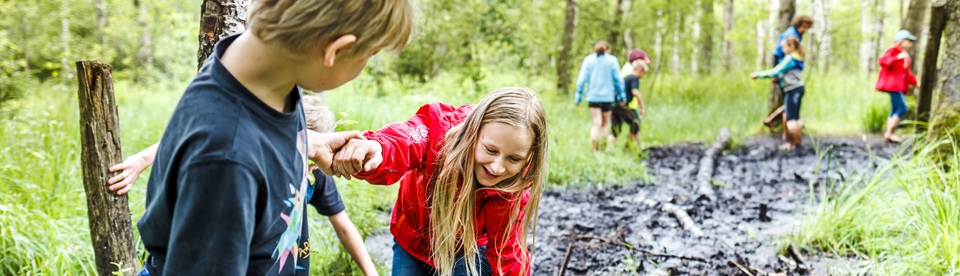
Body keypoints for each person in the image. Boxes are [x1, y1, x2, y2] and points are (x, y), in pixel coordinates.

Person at [135, 0, 415, 274]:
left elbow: (260, 131)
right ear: (334, 51)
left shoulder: (260, 73)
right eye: (370, 54)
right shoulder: (227, 162)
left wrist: (309, 143)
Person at [108, 95, 378, 275]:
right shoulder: (253, 158)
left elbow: (343, 224)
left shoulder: (316, 174)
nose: (308, 164)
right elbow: (203, 133)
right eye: (304, 152)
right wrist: (142, 159)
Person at [329, 88, 548, 276]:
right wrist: (377, 148)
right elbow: (404, 141)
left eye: (514, 158)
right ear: (474, 131)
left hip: (468, 250)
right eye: (490, 150)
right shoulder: (438, 131)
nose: (497, 167)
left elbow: (506, 254)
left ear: (530, 156)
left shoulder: (513, 186)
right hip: (413, 242)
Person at [752, 37, 806, 150]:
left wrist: (759, 74)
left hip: (792, 90)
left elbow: (776, 70)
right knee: (795, 117)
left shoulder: (790, 59)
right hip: (798, 88)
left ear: (791, 46)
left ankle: (793, 145)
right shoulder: (798, 58)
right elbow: (787, 73)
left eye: (784, 47)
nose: (782, 50)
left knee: (791, 119)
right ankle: (797, 142)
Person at [574, 41, 627, 151]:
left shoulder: (588, 60)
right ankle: (602, 149)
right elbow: (618, 80)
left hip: (593, 97)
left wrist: (578, 96)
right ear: (607, 49)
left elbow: (581, 80)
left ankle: (594, 148)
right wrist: (622, 96)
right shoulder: (612, 60)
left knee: (596, 123)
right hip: (607, 98)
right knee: (604, 124)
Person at [764, 15, 814, 128]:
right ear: (798, 24)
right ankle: (787, 133)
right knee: (789, 104)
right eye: (803, 27)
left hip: (791, 72)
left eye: (807, 27)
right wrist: (775, 72)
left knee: (789, 103)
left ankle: (781, 127)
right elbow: (777, 52)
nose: (804, 30)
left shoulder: (797, 35)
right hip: (785, 72)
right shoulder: (790, 35)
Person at [875, 30, 919, 143]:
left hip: (899, 86)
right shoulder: (893, 50)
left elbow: (907, 74)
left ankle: (889, 133)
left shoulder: (906, 56)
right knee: (902, 107)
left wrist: (916, 83)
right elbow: (883, 61)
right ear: (901, 41)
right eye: (908, 41)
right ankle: (889, 133)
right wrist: (897, 57)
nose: (910, 44)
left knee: (894, 109)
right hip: (892, 85)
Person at [610, 55, 648, 148]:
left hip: (614, 105)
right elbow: (635, 92)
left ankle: (609, 149)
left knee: (615, 129)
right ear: (639, 70)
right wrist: (642, 106)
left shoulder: (625, 78)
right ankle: (628, 147)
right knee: (635, 123)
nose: (642, 76)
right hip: (623, 106)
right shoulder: (634, 78)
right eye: (643, 73)